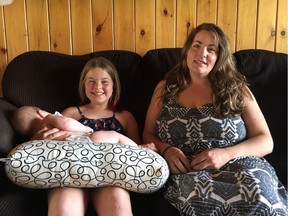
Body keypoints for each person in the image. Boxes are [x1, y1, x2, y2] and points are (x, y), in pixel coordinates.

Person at [143, 22, 288, 215]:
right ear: (187, 50)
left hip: (240, 165)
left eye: (211, 49)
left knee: (258, 196)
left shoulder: (236, 88)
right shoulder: (165, 87)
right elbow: (147, 133)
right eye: (197, 45)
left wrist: (226, 154)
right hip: (190, 173)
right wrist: (166, 150)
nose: (202, 53)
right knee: (201, 201)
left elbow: (265, 141)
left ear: (219, 58)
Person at [27, 57, 156, 216]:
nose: (98, 87)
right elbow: (49, 142)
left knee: (119, 206)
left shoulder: (125, 117)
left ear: (114, 85)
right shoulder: (70, 113)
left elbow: (135, 153)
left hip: (110, 177)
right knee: (64, 208)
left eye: (105, 81)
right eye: (91, 81)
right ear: (83, 84)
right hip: (71, 174)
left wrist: (148, 149)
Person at [11, 105, 138, 146]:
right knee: (114, 136)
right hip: (82, 141)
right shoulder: (49, 118)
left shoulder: (36, 138)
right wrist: (85, 129)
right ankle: (138, 150)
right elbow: (66, 123)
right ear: (41, 113)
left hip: (66, 152)